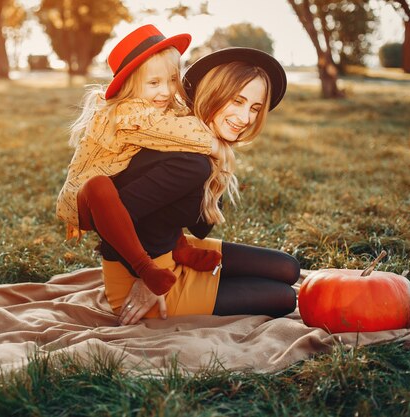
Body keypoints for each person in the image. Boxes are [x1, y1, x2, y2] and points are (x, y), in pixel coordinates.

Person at [96, 47, 301, 325]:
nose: (245, 118)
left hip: (172, 255)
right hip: (142, 282)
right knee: (284, 298)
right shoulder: (190, 161)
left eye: (254, 108)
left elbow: (200, 226)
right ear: (213, 94)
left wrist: (221, 164)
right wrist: (147, 277)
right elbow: (107, 217)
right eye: (236, 101)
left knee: (288, 268)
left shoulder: (200, 146)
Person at [56, 25, 222, 297]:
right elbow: (179, 133)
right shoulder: (127, 113)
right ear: (130, 85)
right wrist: (216, 142)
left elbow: (174, 133)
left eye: (171, 80)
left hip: (120, 185)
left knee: (169, 164)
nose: (167, 91)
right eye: (154, 83)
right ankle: (144, 266)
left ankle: (177, 245)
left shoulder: (157, 107)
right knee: (100, 185)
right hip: (87, 199)